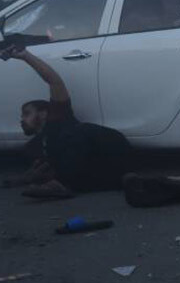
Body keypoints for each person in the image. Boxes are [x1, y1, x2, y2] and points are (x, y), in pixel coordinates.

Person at [1, 46, 131, 199]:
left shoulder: (58, 118)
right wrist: (26, 178)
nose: (22, 119)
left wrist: (26, 56)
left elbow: (54, 81)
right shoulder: (34, 147)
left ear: (44, 113)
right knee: (48, 160)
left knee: (79, 131)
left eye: (27, 113)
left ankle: (61, 185)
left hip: (114, 154)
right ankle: (62, 185)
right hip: (102, 178)